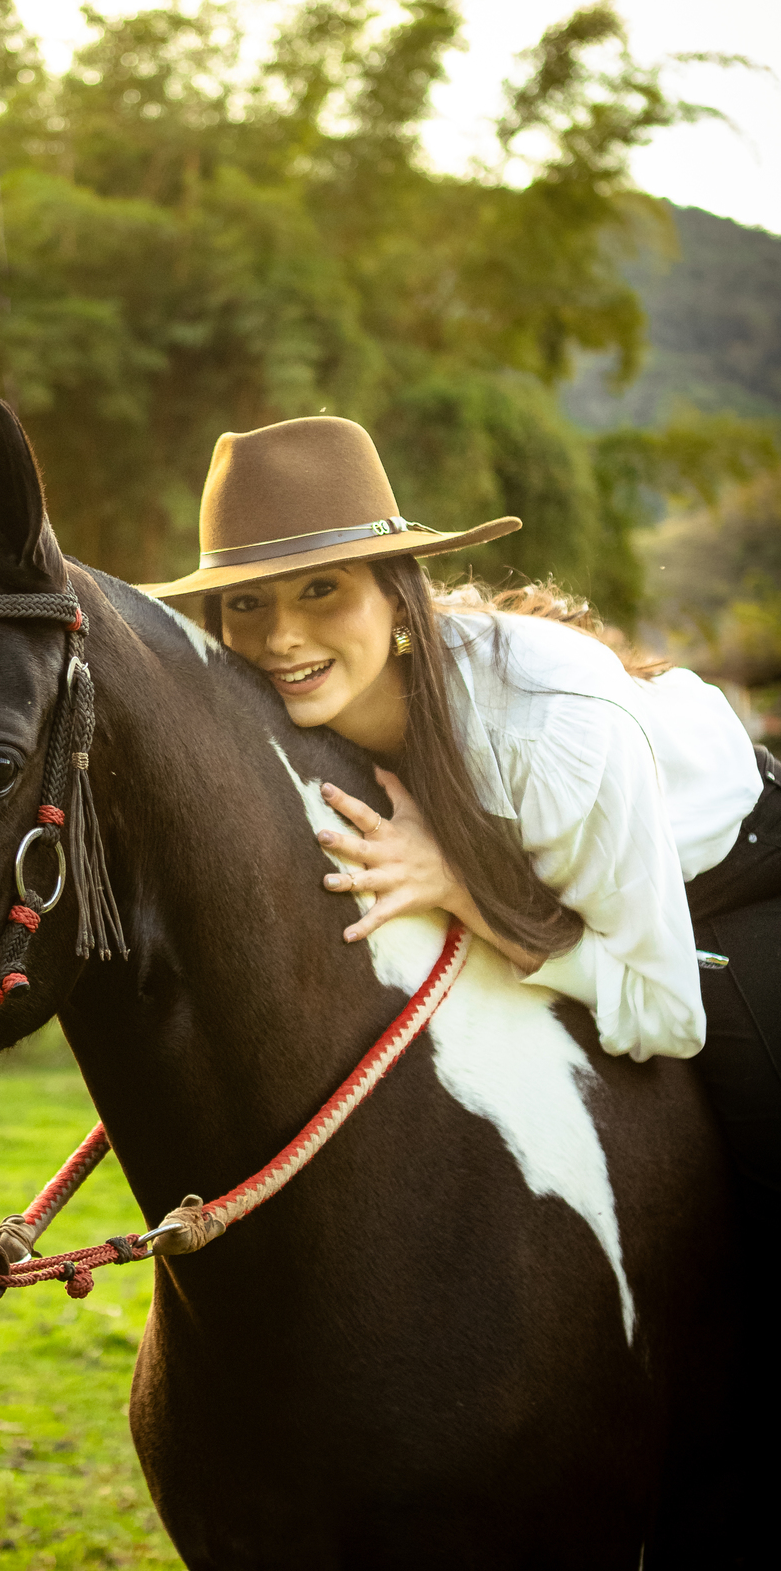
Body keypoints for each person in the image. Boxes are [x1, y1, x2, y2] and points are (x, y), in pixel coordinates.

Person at [145, 415, 781, 1191]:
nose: (281, 636)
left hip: (732, 877)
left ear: (398, 596)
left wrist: (459, 887)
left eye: (322, 589)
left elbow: (664, 1011)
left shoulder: (547, 730)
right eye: (246, 603)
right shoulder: (279, 719)